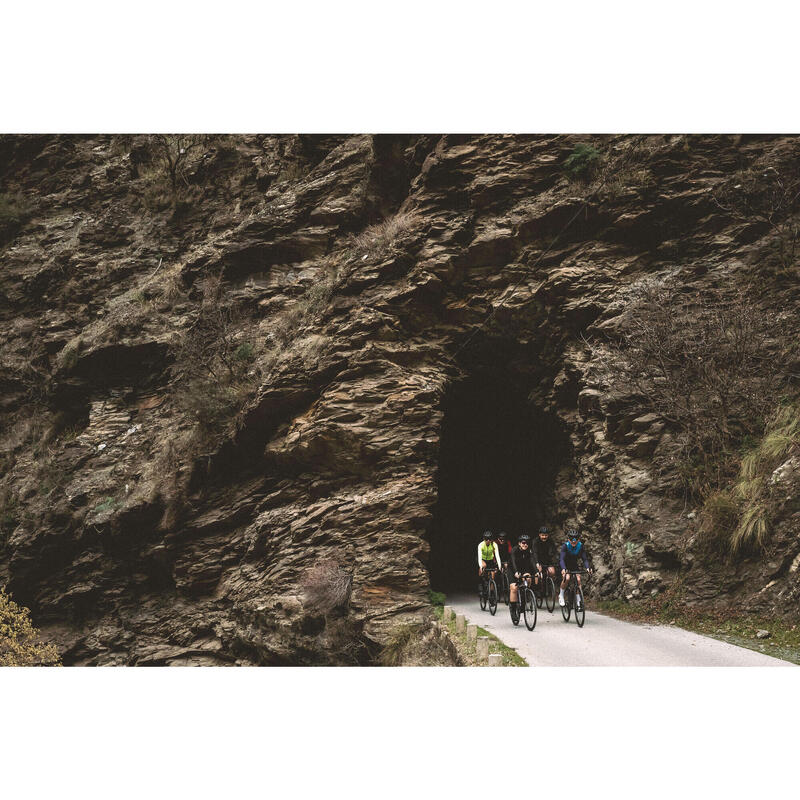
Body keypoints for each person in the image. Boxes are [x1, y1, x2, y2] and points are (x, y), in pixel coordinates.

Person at [559, 529, 591, 607]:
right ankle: (561, 595)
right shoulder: (565, 546)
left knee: (578, 579)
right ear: (568, 539)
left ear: (578, 539)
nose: (573, 541)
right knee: (567, 578)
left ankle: (578, 601)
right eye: (571, 539)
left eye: (575, 539)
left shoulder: (580, 546)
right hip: (565, 565)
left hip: (574, 565)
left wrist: (587, 568)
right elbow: (562, 559)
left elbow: (585, 559)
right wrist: (563, 568)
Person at [510, 533, 536, 610]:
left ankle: (524, 595)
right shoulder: (514, 550)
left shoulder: (529, 551)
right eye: (523, 543)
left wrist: (537, 571)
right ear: (519, 543)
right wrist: (515, 572)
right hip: (512, 569)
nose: (525, 545)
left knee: (528, 578)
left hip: (523, 569)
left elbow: (532, 561)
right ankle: (514, 609)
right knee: (514, 588)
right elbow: (513, 561)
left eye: (527, 543)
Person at [477, 531, 501, 598]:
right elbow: (479, 557)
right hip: (482, 559)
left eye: (490, 539)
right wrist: (481, 566)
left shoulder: (494, 544)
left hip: (490, 560)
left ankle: (492, 593)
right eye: (486, 539)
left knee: (493, 575)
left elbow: (497, 556)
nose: (488, 540)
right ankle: (480, 586)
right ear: (484, 539)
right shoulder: (481, 545)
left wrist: (499, 566)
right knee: (483, 567)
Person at [495, 531, 512, 598]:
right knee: (496, 573)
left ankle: (507, 584)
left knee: (507, 569)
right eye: (500, 539)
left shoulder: (508, 543)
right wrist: (497, 563)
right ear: (498, 539)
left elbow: (510, 552)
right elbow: (494, 554)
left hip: (505, 559)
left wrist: (508, 562)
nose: (502, 541)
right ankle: (495, 589)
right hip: (496, 559)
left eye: (503, 539)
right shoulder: (495, 543)